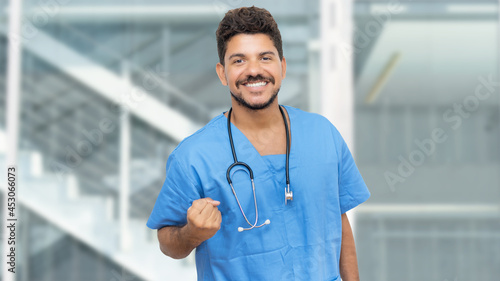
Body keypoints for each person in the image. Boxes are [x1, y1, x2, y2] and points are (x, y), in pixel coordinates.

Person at [147, 6, 370, 281]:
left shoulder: (323, 134)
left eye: (265, 57)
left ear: (282, 66)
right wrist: (191, 234)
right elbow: (167, 241)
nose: (254, 70)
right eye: (239, 61)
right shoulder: (194, 156)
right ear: (222, 73)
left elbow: (339, 223)